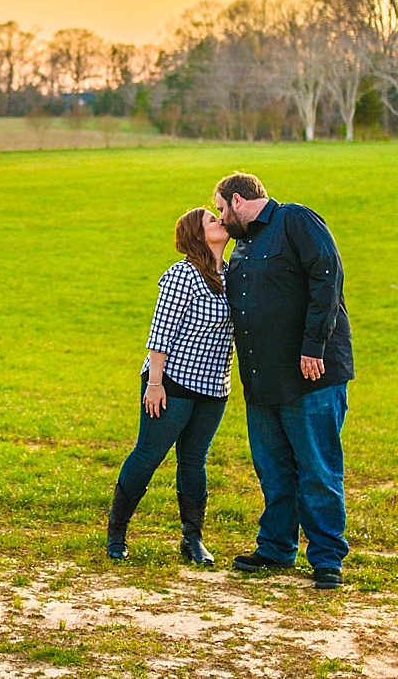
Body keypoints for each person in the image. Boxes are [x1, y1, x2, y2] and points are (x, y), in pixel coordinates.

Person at [214, 171, 354, 591]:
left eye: (221, 208)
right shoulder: (242, 248)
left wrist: (314, 345)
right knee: (273, 469)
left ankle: (327, 558)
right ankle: (276, 547)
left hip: (311, 375)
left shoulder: (294, 220)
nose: (220, 219)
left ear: (238, 201)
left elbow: (327, 277)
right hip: (262, 379)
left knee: (317, 468)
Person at [106, 207, 233, 564]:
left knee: (194, 461)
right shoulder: (182, 275)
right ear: (197, 234)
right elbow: (160, 333)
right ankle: (116, 533)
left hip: (213, 388)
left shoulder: (233, 275)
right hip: (172, 383)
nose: (221, 221)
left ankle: (192, 540)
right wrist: (156, 383)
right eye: (212, 219)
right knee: (148, 455)